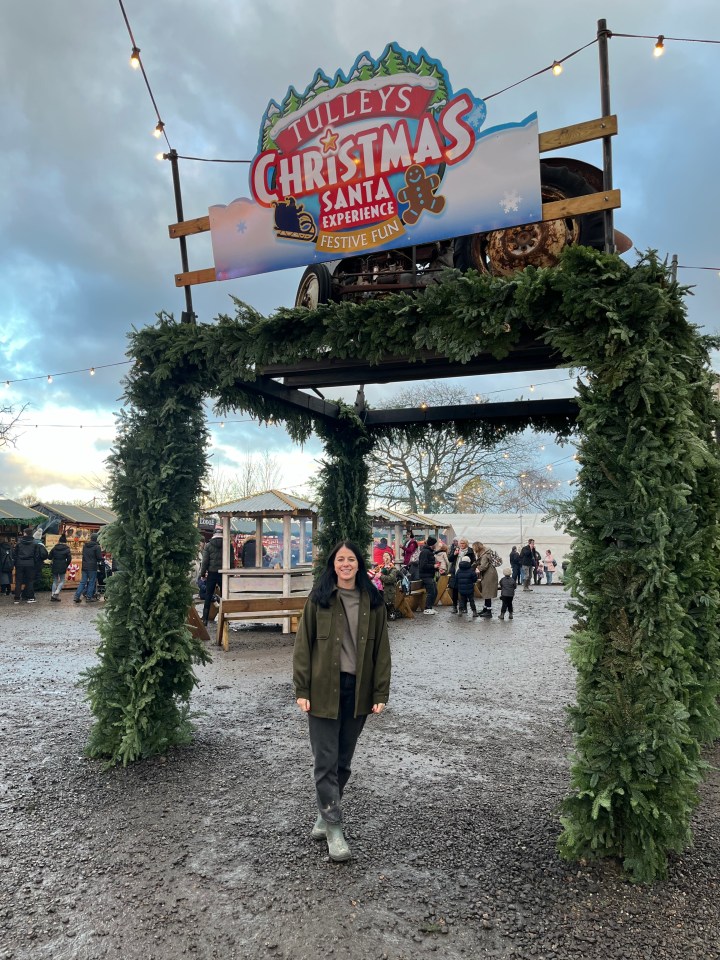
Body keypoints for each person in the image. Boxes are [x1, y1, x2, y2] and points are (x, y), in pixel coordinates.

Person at [293, 541, 391, 862]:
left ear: (359, 565)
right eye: (340, 559)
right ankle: (334, 829)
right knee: (325, 761)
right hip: (322, 690)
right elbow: (303, 648)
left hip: (357, 690)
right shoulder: (319, 600)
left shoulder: (372, 602)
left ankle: (324, 814)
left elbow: (382, 653)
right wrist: (302, 689)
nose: (345, 564)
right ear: (333, 565)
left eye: (351, 559)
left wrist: (379, 694)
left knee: (343, 762)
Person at [200, 525, 236, 626]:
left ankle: (205, 620)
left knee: (208, 595)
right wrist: (231, 573)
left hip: (211, 573)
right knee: (224, 596)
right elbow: (231, 561)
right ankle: (225, 619)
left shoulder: (208, 545)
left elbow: (205, 561)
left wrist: (202, 574)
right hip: (223, 574)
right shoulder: (228, 545)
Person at [13, 528, 42, 604]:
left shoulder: (19, 543)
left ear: (25, 533)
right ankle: (30, 597)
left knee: (18, 581)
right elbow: (37, 556)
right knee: (30, 581)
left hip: (20, 563)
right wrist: (34, 564)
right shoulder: (35, 543)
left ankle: (17, 598)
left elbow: (15, 554)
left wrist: (16, 563)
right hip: (30, 564)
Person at [74, 532, 103, 603]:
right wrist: (101, 559)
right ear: (97, 539)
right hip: (92, 567)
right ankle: (89, 597)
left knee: (82, 582)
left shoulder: (85, 546)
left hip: (84, 566)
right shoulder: (97, 547)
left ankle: (76, 596)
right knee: (91, 582)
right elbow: (99, 558)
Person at [449, 538, 475, 614]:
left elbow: (473, 562)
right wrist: (454, 554)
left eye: (463, 543)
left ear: (466, 544)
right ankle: (454, 606)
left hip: (466, 573)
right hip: (456, 571)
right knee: (455, 590)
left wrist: (471, 571)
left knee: (464, 591)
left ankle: (464, 607)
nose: (461, 545)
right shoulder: (456, 549)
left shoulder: (470, 551)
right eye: (460, 543)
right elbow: (450, 559)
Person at [474, 542, 499, 617]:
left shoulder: (484, 555)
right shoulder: (485, 553)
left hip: (489, 575)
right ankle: (485, 609)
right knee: (486, 592)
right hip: (490, 574)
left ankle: (488, 611)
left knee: (487, 593)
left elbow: (483, 566)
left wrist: (477, 569)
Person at [418, 536, 438, 615]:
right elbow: (423, 565)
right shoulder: (425, 552)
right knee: (431, 592)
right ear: (432, 544)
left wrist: (436, 568)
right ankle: (427, 608)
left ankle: (430, 607)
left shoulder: (429, 551)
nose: (436, 546)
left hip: (429, 575)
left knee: (435, 591)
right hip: (425, 575)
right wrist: (433, 566)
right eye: (435, 544)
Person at [48, 534, 72, 601]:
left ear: (59, 541)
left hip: (55, 564)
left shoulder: (54, 548)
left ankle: (53, 595)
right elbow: (69, 559)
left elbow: (49, 557)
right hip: (62, 565)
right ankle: (56, 592)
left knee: (55, 580)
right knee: (62, 580)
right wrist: (66, 564)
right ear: (65, 542)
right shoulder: (67, 549)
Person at [455, 555, 478, 621]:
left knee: (461, 600)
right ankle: (474, 612)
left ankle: (460, 611)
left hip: (461, 589)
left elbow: (456, 579)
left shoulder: (459, 570)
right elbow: (474, 579)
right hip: (469, 588)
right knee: (471, 600)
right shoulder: (471, 570)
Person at [378, 552, 399, 621]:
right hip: (380, 590)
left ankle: (390, 615)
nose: (385, 557)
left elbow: (390, 579)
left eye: (387, 555)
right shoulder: (380, 567)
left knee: (389, 606)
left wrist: (380, 576)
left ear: (390, 558)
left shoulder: (393, 568)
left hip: (389, 591)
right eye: (384, 556)